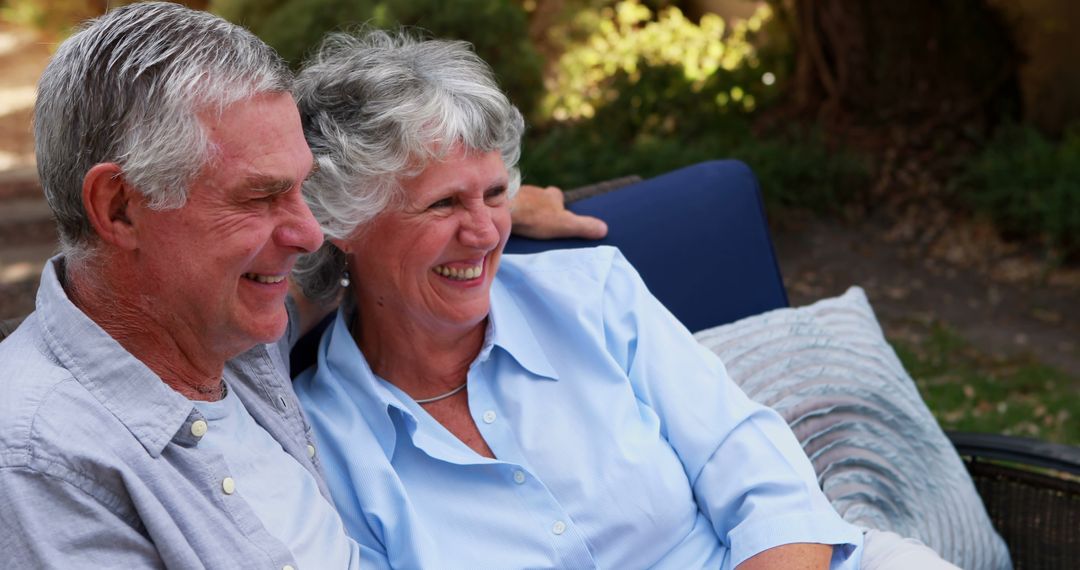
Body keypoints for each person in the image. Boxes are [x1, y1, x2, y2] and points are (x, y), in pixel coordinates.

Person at [0, 3, 603, 566]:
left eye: (301, 188)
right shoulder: (42, 463)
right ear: (120, 208)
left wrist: (475, 210)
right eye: (261, 196)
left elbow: (355, 254)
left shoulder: (225, 324)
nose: (309, 233)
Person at [290, 30, 870, 570]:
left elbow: (763, 477)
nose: (486, 233)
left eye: (495, 194)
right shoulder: (327, 442)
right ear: (346, 222)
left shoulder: (592, 294)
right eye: (443, 204)